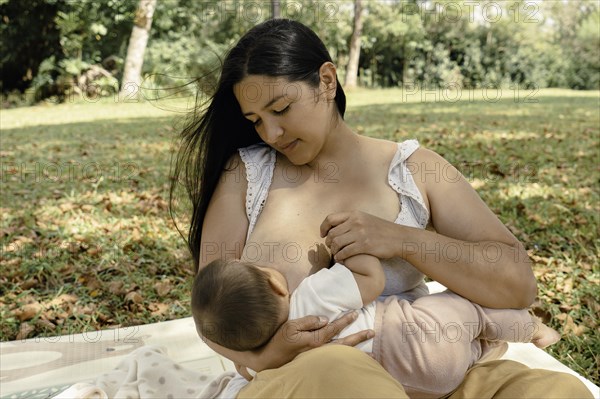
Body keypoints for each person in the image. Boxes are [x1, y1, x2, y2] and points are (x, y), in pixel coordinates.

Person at [170, 18, 593, 398]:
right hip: (304, 382)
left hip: (426, 378)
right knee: (337, 368)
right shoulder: (246, 174)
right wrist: (268, 357)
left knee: (557, 390)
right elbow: (209, 308)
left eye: (281, 109)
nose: (272, 132)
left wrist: (403, 240)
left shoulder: (414, 171)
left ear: (327, 81)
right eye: (256, 120)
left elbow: (517, 285)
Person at [192, 255, 561, 398]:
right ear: (275, 284)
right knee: (466, 309)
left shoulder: (261, 357)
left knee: (463, 337)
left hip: (410, 381)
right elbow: (370, 280)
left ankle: (485, 349)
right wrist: (347, 257)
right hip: (412, 337)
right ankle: (531, 329)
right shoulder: (312, 295)